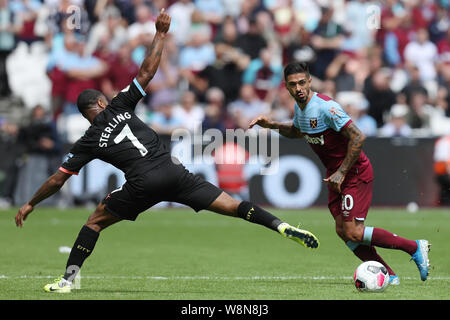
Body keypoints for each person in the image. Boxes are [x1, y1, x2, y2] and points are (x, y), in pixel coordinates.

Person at [14, 10, 319, 294]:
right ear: (103, 102)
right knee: (233, 205)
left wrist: (30, 204)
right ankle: (280, 225)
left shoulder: (89, 139)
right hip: (174, 172)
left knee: (94, 221)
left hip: (142, 184)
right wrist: (160, 33)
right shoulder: (121, 104)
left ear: (86, 114)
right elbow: (147, 72)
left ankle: (68, 280)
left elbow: (58, 179)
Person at [250, 61, 431, 285]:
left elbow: (358, 136)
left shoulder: (326, 107)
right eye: (293, 84)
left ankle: (414, 247)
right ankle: (390, 275)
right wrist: (273, 125)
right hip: (335, 174)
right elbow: (298, 131)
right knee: (342, 231)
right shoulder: (300, 107)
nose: (298, 88)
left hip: (353, 172)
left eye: (302, 83)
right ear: (286, 87)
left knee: (353, 231)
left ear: (310, 81)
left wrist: (342, 172)